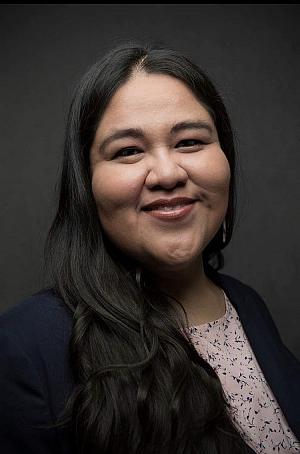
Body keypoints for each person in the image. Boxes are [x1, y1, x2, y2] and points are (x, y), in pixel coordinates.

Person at [0, 41, 299, 454]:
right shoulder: (24, 348)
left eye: (190, 142)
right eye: (127, 151)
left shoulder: (247, 305)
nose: (167, 173)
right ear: (86, 183)